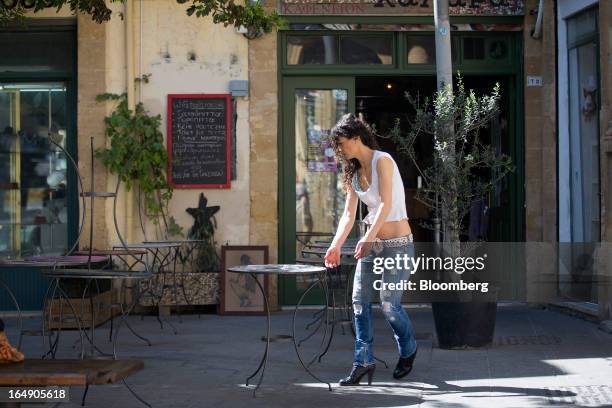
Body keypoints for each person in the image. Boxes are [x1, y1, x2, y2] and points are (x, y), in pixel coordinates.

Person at [324, 113, 418, 386]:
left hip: (398, 245)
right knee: (359, 303)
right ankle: (362, 361)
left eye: (341, 143)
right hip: (371, 244)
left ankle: (409, 349)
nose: (339, 149)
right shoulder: (353, 173)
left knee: (389, 305)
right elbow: (348, 214)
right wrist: (336, 245)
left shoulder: (383, 161)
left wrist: (367, 239)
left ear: (356, 138)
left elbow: (386, 205)